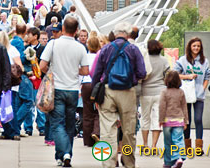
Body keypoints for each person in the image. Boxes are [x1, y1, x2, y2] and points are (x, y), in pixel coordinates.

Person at [91, 22, 146, 168]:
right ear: (128, 34)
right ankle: (128, 162)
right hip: (128, 92)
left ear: (115, 34)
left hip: (108, 91)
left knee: (107, 131)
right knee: (128, 131)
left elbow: (95, 73)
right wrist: (132, 78)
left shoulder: (106, 48)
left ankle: (108, 163)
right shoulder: (134, 49)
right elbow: (142, 73)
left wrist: (96, 93)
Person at [40, 16, 89, 168]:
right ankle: (63, 156)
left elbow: (42, 66)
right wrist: (74, 69)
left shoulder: (53, 44)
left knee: (56, 124)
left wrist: (53, 71)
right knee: (69, 125)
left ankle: (65, 153)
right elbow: (86, 70)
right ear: (76, 31)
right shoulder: (80, 47)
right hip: (73, 90)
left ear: (62, 29)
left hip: (57, 89)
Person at [173, 37, 210, 153]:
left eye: (198, 46)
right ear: (190, 47)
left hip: (199, 95)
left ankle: (199, 146)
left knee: (198, 119)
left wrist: (203, 89)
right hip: (185, 95)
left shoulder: (204, 61)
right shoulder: (183, 60)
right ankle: (187, 146)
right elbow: (175, 74)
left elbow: (207, 76)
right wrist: (187, 77)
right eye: (194, 46)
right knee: (186, 121)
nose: (196, 48)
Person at [0, 31, 23, 141]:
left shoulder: (12, 50)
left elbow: (20, 66)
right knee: (1, 108)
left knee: (11, 107)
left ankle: (15, 131)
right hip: (0, 82)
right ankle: (7, 131)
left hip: (11, 83)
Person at [140, 39, 169, 148]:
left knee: (145, 118)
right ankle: (154, 145)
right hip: (160, 92)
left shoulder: (144, 60)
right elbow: (168, 75)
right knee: (157, 118)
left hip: (145, 92)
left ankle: (145, 144)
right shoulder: (164, 60)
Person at [159, 70, 189, 168]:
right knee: (178, 140)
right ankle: (179, 157)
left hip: (167, 121)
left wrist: (161, 119)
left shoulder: (164, 92)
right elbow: (184, 107)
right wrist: (186, 121)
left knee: (168, 142)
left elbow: (162, 106)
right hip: (179, 120)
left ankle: (168, 163)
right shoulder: (181, 92)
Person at [80, 36, 101, 146]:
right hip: (97, 84)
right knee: (98, 110)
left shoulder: (85, 57)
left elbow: (81, 71)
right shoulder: (100, 56)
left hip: (86, 84)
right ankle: (96, 131)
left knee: (87, 112)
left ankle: (87, 140)